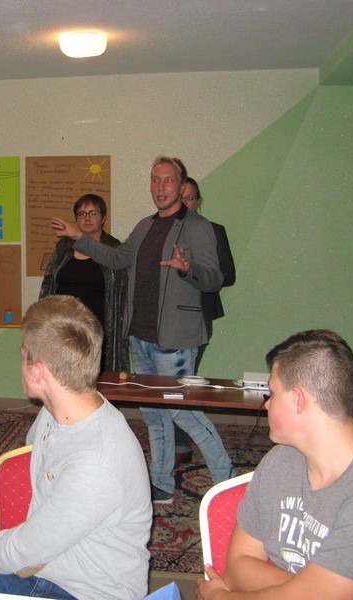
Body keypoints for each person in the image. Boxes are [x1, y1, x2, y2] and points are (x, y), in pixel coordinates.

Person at [50, 155, 234, 504]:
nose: (160, 187)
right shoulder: (145, 226)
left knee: (182, 412)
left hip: (175, 338)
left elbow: (214, 279)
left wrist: (187, 268)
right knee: (153, 414)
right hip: (141, 336)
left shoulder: (198, 227)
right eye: (155, 180)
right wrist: (78, 237)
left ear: (181, 185)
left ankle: (227, 481)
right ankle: (161, 482)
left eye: (168, 180)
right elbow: (117, 258)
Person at [0, 295, 152, 599]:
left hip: (88, 591)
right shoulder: (56, 413)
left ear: (38, 371)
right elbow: (23, 478)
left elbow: (23, 551)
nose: (21, 366)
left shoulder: (97, 461)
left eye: (24, 358)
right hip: (41, 572)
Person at [196, 329, 353, 600]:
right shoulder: (281, 460)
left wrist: (219, 597)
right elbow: (237, 569)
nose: (267, 405)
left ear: (298, 399)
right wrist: (310, 591)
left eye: (272, 393)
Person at [175, 177, 237, 466]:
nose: (185, 203)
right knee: (168, 383)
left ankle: (182, 444)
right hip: (165, 318)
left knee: (183, 381)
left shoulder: (212, 230)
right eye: (180, 198)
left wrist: (194, 269)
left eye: (190, 198)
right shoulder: (165, 230)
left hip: (198, 315)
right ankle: (175, 443)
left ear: (198, 202)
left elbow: (228, 275)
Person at [40, 193, 128, 373]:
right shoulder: (63, 246)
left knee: (97, 377)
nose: (87, 218)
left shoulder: (113, 248)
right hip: (65, 327)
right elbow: (49, 282)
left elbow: (123, 291)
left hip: (100, 329)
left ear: (103, 218)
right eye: (82, 214)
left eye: (93, 213)